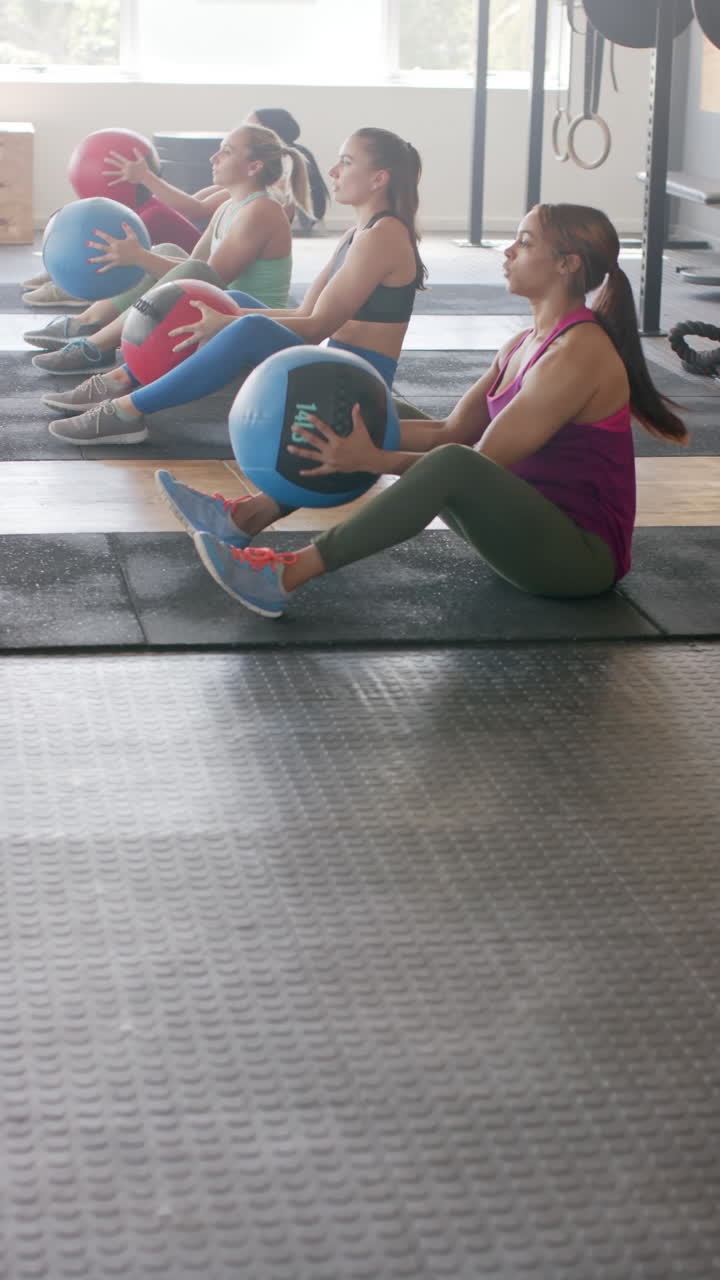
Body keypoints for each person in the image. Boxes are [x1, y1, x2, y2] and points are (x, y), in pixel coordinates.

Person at [155, 202, 688, 619]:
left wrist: (369, 457)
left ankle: (281, 577)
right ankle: (245, 518)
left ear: (567, 264)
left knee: (447, 461)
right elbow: (450, 429)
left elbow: (475, 461)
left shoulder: (579, 355)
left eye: (524, 243)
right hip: (520, 527)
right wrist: (365, 439)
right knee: (374, 408)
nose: (507, 252)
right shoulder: (524, 343)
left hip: (577, 561)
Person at [45, 126, 425, 446]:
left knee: (245, 321)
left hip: (353, 396)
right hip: (332, 372)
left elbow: (315, 328)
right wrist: (226, 312)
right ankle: (123, 378)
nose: (333, 171)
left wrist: (230, 322)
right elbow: (303, 312)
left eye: (346, 162)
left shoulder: (383, 237)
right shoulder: (358, 234)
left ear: (379, 178)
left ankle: (127, 411)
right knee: (231, 299)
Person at [29, 124, 309, 391]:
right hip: (216, 305)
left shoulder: (261, 211)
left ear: (254, 167)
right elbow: (192, 266)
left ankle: (96, 344)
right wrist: (145, 257)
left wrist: (139, 257)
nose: (214, 157)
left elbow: (209, 277)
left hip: (247, 318)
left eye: (227, 151)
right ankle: (91, 321)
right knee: (166, 252)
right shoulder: (228, 206)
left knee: (167, 261)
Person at [22, 146, 230, 306]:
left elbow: (195, 209)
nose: (216, 156)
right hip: (195, 252)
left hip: (200, 255)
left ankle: (87, 277)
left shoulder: (253, 200)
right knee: (151, 207)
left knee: (154, 215)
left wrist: (145, 177)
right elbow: (186, 203)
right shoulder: (229, 190)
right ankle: (71, 264)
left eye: (229, 150)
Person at [247, 107, 330, 230]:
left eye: (250, 127)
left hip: (298, 225)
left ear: (267, 130)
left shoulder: (286, 157)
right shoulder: (295, 151)